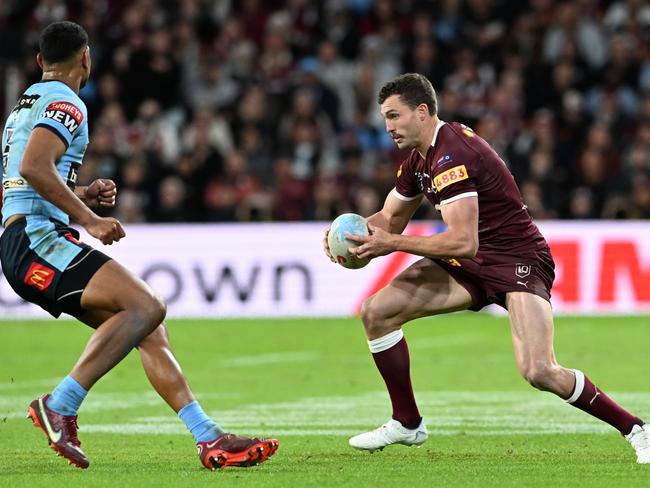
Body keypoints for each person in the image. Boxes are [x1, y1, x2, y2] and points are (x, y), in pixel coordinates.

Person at [322, 73, 650, 463]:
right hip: (470, 263)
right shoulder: (417, 160)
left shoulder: (452, 156)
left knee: (540, 370)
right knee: (377, 312)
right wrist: (352, 239)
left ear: (422, 112)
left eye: (395, 116)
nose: (388, 126)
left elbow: (462, 241)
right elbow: (389, 221)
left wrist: (389, 245)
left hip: (518, 259)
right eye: (385, 118)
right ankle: (407, 422)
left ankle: (637, 429)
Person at [0, 21, 278, 470]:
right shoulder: (66, 101)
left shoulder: (23, 105)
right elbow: (34, 167)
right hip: (39, 240)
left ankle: (208, 437)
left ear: (39, 61)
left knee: (146, 328)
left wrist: (81, 192)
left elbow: (19, 179)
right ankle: (60, 404)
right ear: (86, 57)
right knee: (147, 305)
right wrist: (89, 218)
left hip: (23, 238)